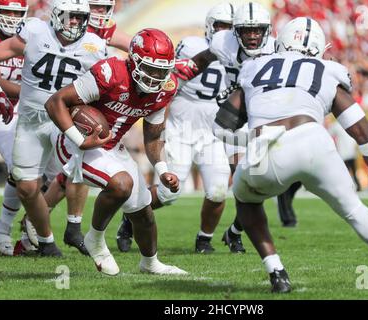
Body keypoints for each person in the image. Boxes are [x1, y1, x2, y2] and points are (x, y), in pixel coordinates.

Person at [213, 17, 368, 293]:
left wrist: (251, 122)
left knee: (245, 198)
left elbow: (222, 124)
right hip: (313, 142)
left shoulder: (252, 67)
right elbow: (365, 136)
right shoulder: (328, 69)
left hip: (265, 149)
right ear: (319, 46)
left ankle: (277, 272)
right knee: (356, 211)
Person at [45, 28, 187, 276]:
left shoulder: (165, 89)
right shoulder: (111, 72)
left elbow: (153, 136)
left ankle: (150, 263)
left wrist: (162, 170)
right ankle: (95, 239)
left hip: (112, 145)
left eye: (161, 71)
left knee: (142, 211)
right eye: (149, 68)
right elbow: (55, 102)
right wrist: (79, 139)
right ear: (133, 60)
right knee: (122, 184)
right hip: (76, 143)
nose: (155, 77)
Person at [174, 1, 301, 253]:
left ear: (267, 31)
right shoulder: (224, 43)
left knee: (260, 182)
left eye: (257, 31)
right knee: (234, 181)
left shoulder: (275, 49)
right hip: (229, 115)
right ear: (235, 31)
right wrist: (179, 74)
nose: (252, 36)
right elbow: (201, 60)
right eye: (245, 30)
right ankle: (212, 237)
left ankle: (234, 232)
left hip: (257, 114)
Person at [0, 0, 108, 256]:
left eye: (79, 17)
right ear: (55, 15)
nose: (74, 22)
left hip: (64, 121)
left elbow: (106, 84)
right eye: (69, 16)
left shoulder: (95, 46)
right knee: (27, 187)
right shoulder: (35, 31)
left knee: (76, 170)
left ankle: (71, 226)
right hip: (30, 120)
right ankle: (44, 239)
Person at [117, 2, 233, 254]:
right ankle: (130, 219)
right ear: (210, 27)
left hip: (211, 133)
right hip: (180, 129)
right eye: (221, 26)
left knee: (217, 190)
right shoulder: (193, 45)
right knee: (169, 193)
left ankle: (204, 239)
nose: (224, 32)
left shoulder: (238, 52)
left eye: (229, 27)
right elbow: (171, 81)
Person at [0, 0, 28, 256]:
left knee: (22, 167)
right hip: (1, 105)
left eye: (17, 12)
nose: (13, 17)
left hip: (5, 113)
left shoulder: (30, 34)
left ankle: (3, 228)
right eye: (8, 11)